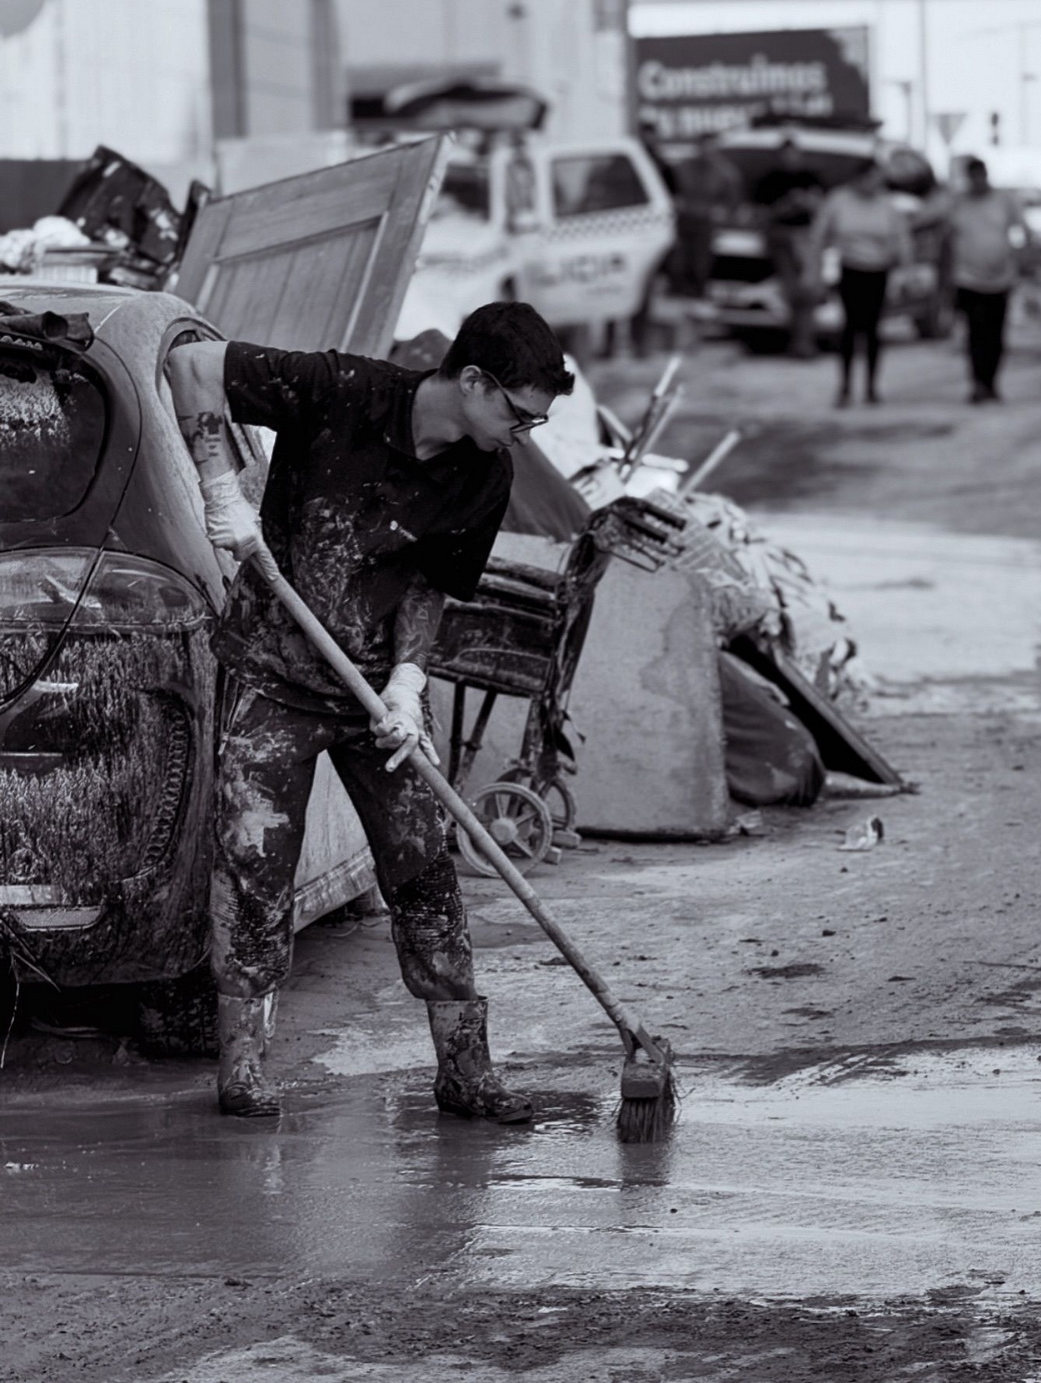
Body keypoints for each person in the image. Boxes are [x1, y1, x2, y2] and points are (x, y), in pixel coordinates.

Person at [166, 302, 575, 1122]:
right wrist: (218, 486)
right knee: (253, 871)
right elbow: (192, 366)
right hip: (273, 677)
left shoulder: (484, 474)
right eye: (519, 415)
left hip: (375, 700)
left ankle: (465, 1072)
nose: (524, 435)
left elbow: (430, 583)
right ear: (472, 382)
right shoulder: (341, 390)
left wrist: (408, 684)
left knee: (425, 871)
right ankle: (242, 1072)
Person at [808, 158, 913, 407]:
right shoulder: (839, 200)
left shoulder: (887, 204)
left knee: (873, 328)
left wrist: (906, 272)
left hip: (878, 271)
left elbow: (902, 239)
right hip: (850, 269)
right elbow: (819, 235)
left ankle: (871, 387)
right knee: (850, 327)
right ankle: (845, 386)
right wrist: (815, 270)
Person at [948, 157, 1027, 404]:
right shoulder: (958, 203)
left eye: (980, 176)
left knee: (995, 334)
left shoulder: (1004, 200)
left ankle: (992, 382)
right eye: (973, 177)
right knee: (975, 332)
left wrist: (1018, 258)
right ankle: (977, 383)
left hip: (1000, 278)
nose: (977, 181)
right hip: (967, 278)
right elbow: (946, 235)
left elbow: (1021, 231)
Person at [752, 138, 824, 358]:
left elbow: (823, 208)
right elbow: (760, 216)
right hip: (781, 236)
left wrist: (805, 202)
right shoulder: (769, 181)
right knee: (792, 291)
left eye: (793, 154)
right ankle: (797, 341)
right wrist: (784, 207)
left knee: (809, 289)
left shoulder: (810, 178)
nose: (790, 158)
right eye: (786, 154)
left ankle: (804, 341)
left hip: (806, 237)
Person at [671, 132, 742, 299]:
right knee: (679, 258)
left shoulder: (725, 172)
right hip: (683, 219)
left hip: (705, 221)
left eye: (711, 146)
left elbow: (733, 200)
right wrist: (676, 202)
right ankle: (678, 289)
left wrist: (722, 212)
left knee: (701, 260)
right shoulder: (682, 167)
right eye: (703, 146)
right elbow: (670, 189)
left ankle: (698, 290)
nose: (706, 150)